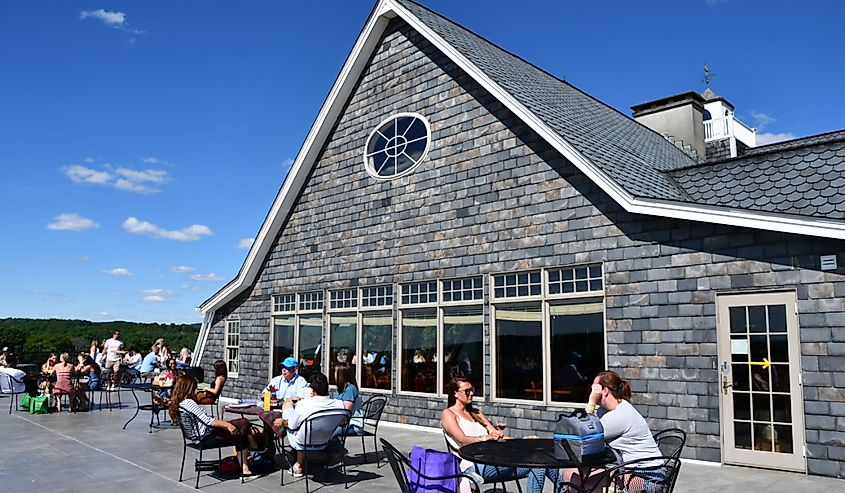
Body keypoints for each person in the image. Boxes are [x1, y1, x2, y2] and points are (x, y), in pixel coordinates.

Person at [441, 377, 559, 493]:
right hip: (474, 465)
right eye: (467, 391)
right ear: (455, 393)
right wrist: (485, 438)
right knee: (536, 459)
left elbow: (497, 436)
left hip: (496, 459)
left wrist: (523, 441)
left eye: (472, 390)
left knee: (540, 462)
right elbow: (462, 440)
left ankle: (564, 489)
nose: (471, 393)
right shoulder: (449, 414)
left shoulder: (476, 413)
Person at [169, 374, 253, 476]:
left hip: (197, 437)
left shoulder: (180, 403)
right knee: (242, 434)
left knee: (240, 423)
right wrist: (227, 425)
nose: (196, 390)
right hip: (205, 438)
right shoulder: (188, 403)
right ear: (189, 387)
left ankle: (243, 461)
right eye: (194, 387)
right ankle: (245, 469)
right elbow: (208, 421)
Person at [272, 372, 346, 477]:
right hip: (324, 441)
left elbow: (292, 426)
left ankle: (298, 464)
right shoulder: (340, 405)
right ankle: (300, 463)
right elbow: (343, 422)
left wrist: (283, 422)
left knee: (288, 405)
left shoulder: (304, 404)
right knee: (304, 426)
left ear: (312, 391)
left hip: (302, 441)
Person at [334, 363, 363, 433]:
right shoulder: (340, 389)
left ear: (341, 375)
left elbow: (346, 411)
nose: (334, 374)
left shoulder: (350, 389)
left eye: (335, 371)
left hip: (352, 425)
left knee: (328, 433)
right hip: (341, 423)